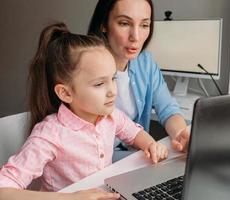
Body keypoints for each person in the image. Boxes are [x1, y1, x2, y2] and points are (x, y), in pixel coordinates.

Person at [0, 22, 168, 200]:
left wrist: (151, 145)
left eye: (113, 79)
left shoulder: (110, 115)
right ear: (65, 93)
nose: (112, 91)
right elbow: (3, 190)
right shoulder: (50, 134)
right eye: (99, 84)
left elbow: (134, 134)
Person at [88, 0, 190, 160]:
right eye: (124, 23)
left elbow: (168, 109)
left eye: (144, 25)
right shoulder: (86, 68)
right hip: (98, 163)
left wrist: (181, 134)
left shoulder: (145, 63)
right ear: (104, 24)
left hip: (136, 155)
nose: (135, 37)